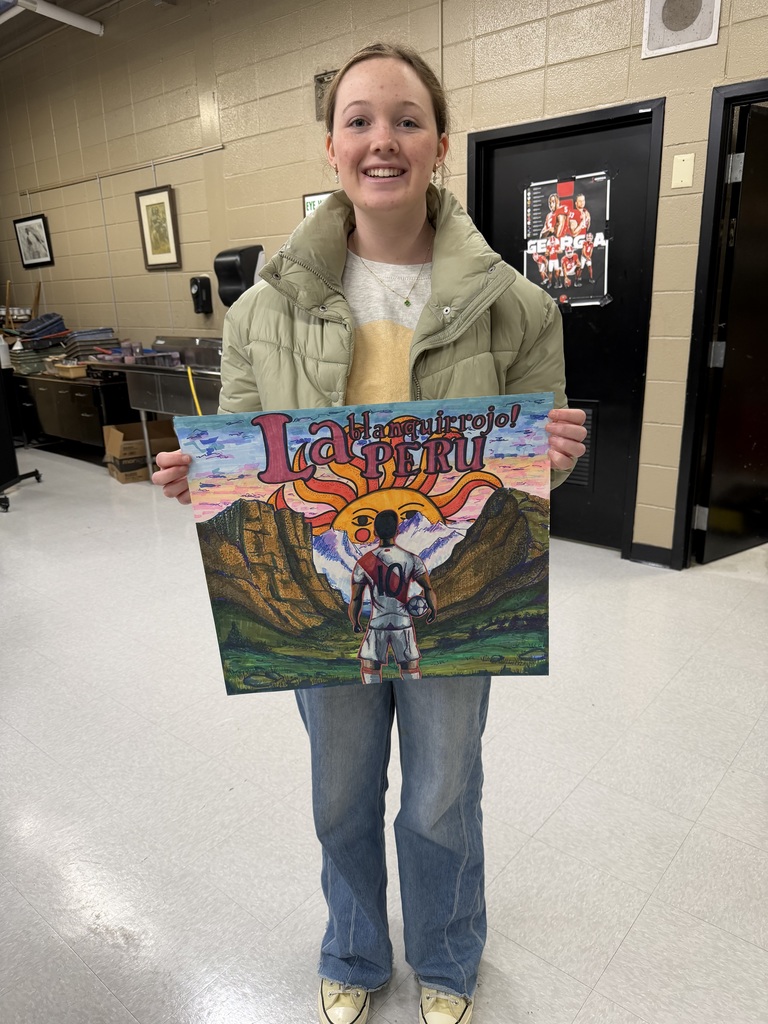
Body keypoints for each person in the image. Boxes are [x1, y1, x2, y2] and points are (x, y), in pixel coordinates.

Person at [153, 42, 586, 1024]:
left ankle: (444, 956)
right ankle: (353, 945)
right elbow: (245, 448)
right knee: (341, 792)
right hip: (323, 594)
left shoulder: (517, 305)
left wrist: (553, 450)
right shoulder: (265, 310)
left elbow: (534, 461)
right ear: (330, 146)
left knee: (441, 792)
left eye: (404, 118)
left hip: (451, 610)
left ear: (440, 143)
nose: (380, 139)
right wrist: (204, 473)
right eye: (358, 119)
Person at [349, 508, 437, 685]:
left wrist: (355, 622)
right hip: (403, 623)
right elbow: (428, 588)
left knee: (370, 667)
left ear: (375, 532)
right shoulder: (412, 559)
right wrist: (433, 609)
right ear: (397, 531)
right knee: (410, 667)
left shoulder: (364, 562)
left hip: (377, 624)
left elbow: (356, 599)